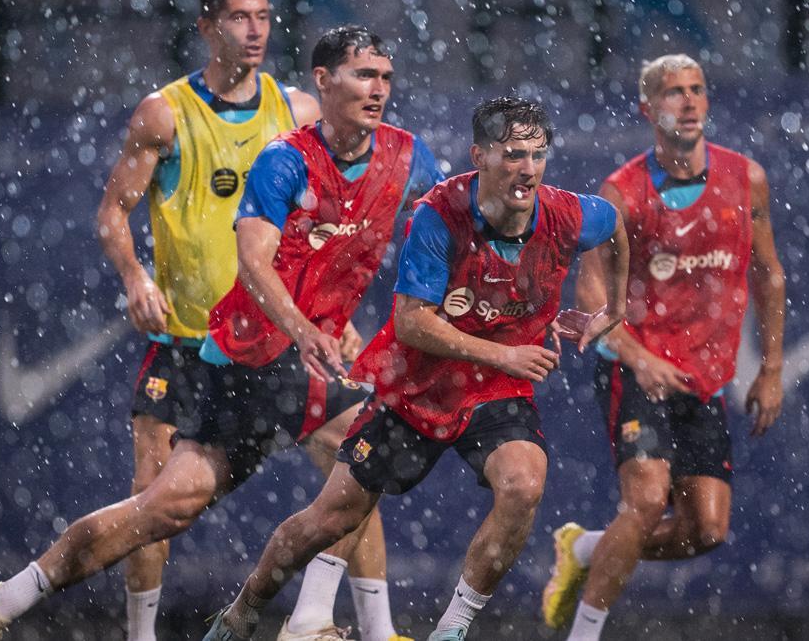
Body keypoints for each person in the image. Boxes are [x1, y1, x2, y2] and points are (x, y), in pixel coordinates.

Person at [0, 16, 430, 641]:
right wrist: (307, 329)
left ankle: (5, 598)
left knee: (162, 509)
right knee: (370, 446)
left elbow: (447, 212)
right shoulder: (285, 161)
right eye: (364, 75)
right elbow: (254, 264)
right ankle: (303, 621)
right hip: (252, 351)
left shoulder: (403, 151)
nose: (378, 88)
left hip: (282, 354)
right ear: (324, 80)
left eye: (386, 77)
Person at [202, 96, 629, 641]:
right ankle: (242, 611)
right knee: (329, 518)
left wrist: (613, 310)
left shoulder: (568, 212)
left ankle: (451, 630)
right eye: (513, 154)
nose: (527, 170)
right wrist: (506, 353)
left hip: (496, 388)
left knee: (524, 484)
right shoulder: (438, 215)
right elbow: (411, 324)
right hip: (417, 384)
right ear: (480, 155)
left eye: (538, 155)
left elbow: (616, 225)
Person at [539, 53, 787, 640]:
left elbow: (769, 274)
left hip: (703, 381)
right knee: (647, 501)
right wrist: (641, 359)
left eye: (698, 89)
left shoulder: (745, 177)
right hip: (634, 370)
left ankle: (584, 550)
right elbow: (594, 299)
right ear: (647, 108)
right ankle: (584, 635)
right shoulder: (621, 193)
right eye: (675, 92)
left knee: (706, 531)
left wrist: (772, 366)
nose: (690, 101)